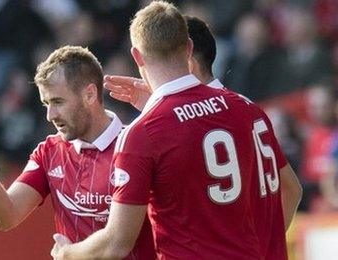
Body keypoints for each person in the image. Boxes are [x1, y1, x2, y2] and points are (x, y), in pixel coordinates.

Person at [51, 2, 301, 259]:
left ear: (136, 56)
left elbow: (117, 242)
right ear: (188, 48)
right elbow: (291, 189)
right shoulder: (245, 108)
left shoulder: (144, 132)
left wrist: (68, 253)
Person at [0, 46, 155, 259]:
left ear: (89, 95)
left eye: (58, 102)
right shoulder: (49, 151)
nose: (50, 115)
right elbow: (7, 215)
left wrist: (67, 254)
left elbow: (118, 244)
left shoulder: (137, 146)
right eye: (46, 103)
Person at [105, 15, 302, 232]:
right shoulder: (245, 107)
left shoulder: (188, 121)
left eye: (167, 58)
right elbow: (292, 189)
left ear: (188, 60)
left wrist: (160, 114)